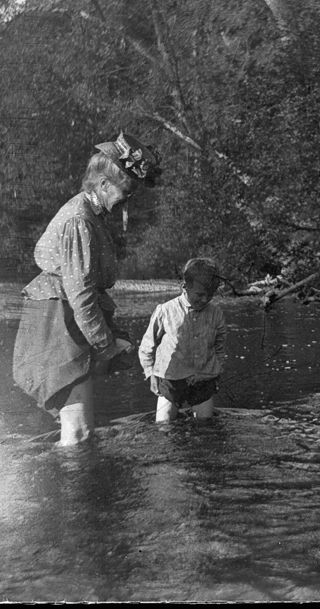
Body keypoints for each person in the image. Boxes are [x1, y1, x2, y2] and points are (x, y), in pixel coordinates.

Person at [13, 131, 159, 445]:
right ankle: (70, 488)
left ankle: (79, 486)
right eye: (126, 190)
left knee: (81, 427)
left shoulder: (92, 214)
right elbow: (81, 296)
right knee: (77, 429)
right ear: (104, 184)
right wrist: (105, 346)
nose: (129, 198)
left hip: (65, 317)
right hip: (57, 320)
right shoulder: (78, 221)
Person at [139, 257, 228, 422]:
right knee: (164, 426)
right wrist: (150, 373)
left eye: (210, 295)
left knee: (205, 427)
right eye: (200, 294)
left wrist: (217, 372)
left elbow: (220, 346)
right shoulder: (166, 311)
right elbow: (147, 345)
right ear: (184, 287)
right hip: (171, 380)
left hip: (203, 379)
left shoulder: (216, 313)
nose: (204, 299)